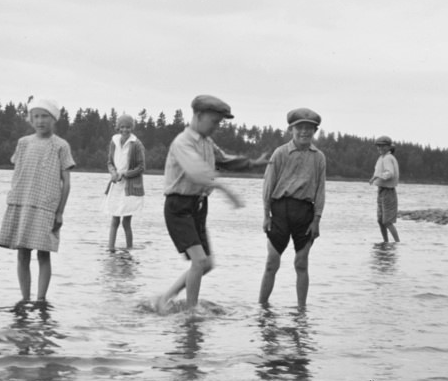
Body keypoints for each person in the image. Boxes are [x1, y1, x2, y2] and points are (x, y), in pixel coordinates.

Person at [154, 94, 268, 312]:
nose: (216, 127)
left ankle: (166, 297)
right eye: (214, 121)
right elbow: (197, 171)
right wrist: (225, 189)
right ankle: (191, 310)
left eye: (219, 123)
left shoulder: (207, 143)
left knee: (206, 263)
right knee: (198, 261)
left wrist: (253, 163)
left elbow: (223, 160)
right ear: (198, 115)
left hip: (197, 206)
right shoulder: (182, 142)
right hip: (178, 207)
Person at [0, 99, 75, 304]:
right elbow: (18, 172)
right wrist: (13, 199)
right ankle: (24, 299)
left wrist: (60, 211)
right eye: (36, 116)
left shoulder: (60, 146)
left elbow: (66, 183)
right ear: (31, 119)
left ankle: (40, 300)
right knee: (22, 253)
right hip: (22, 202)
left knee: (43, 254)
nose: (40, 121)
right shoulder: (24, 143)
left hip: (46, 206)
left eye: (45, 116)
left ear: (53, 119)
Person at [259, 107, 326, 307]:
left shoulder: (318, 157)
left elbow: (320, 190)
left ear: (314, 132)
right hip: (280, 211)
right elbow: (268, 186)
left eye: (309, 128)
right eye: (300, 128)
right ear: (291, 130)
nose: (304, 132)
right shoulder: (280, 153)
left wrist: (317, 220)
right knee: (272, 263)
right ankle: (262, 309)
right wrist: (266, 215)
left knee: (301, 263)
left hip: (305, 213)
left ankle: (301, 311)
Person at [104, 114, 146, 251]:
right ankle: (110, 248)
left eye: (128, 127)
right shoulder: (114, 141)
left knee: (126, 222)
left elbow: (141, 167)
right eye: (122, 127)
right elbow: (110, 162)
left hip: (130, 187)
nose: (125, 130)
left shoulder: (136, 144)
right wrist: (113, 173)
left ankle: (129, 250)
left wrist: (125, 174)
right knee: (114, 219)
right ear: (118, 127)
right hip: (116, 185)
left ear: (131, 127)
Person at [370, 135, 400, 242]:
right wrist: (374, 177)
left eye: (383, 146)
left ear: (389, 147)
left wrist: (379, 176)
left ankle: (397, 242)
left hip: (388, 191)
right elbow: (378, 171)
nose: (380, 148)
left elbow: (390, 173)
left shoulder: (388, 158)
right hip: (381, 190)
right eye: (378, 146)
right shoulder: (382, 158)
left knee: (387, 221)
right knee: (380, 220)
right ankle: (385, 242)